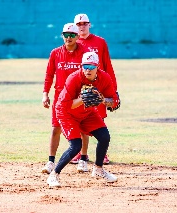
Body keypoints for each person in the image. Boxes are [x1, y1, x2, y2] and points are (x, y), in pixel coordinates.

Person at [46, 51, 119, 187]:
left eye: (91, 67)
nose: (88, 70)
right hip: (66, 112)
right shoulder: (74, 78)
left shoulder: (104, 78)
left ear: (97, 67)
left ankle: (98, 169)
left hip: (87, 113)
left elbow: (113, 101)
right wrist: (83, 99)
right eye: (85, 66)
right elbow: (66, 105)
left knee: (104, 137)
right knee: (76, 146)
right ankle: (53, 175)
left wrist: (103, 99)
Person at [70, 13, 119, 167]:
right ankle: (80, 152)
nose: (82, 26)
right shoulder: (72, 43)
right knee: (79, 119)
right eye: (78, 24)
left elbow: (107, 65)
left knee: (99, 118)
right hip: (80, 86)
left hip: (99, 86)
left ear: (89, 24)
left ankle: (102, 152)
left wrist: (114, 91)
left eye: (84, 23)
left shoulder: (100, 42)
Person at [41, 23, 90, 174]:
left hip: (79, 98)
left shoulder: (85, 52)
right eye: (66, 35)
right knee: (56, 128)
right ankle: (50, 161)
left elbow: (91, 71)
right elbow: (49, 75)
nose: (68, 38)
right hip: (60, 99)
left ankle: (82, 159)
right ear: (62, 36)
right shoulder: (55, 53)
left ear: (77, 37)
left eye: (72, 35)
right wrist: (45, 94)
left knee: (83, 129)